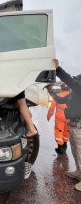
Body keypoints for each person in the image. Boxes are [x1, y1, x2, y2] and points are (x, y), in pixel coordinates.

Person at [45, 58, 81, 192]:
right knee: (75, 152)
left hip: (79, 127)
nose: (75, 81)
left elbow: (71, 82)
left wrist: (58, 69)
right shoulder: (74, 94)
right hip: (73, 126)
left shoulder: (79, 88)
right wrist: (50, 90)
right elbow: (59, 99)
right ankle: (79, 172)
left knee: (80, 152)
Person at [47, 82, 70, 154]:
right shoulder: (72, 96)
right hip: (69, 117)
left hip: (60, 118)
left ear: (61, 88)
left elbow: (51, 108)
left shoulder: (58, 96)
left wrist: (48, 116)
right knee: (66, 131)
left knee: (59, 132)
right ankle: (65, 146)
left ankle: (60, 148)